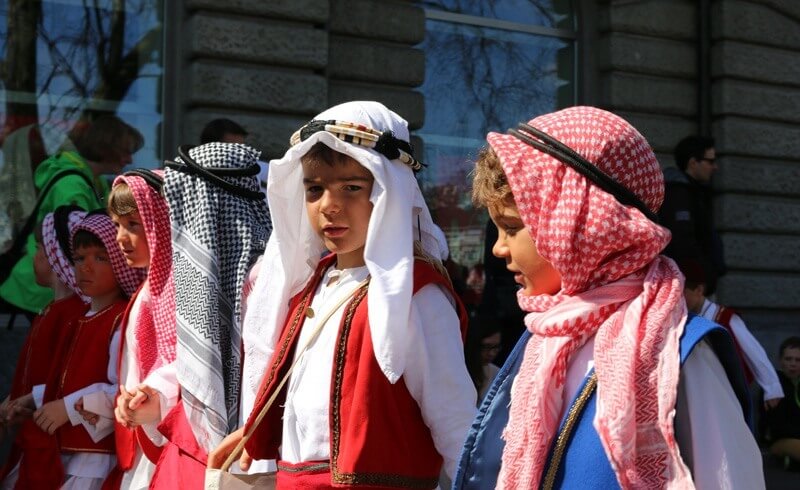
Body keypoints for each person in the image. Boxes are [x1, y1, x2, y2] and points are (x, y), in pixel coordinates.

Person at [454, 106, 763, 489]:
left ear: (580, 224)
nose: (499, 248)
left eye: (512, 227)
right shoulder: (544, 337)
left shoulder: (678, 351)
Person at [208, 101, 476, 487]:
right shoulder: (313, 284)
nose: (329, 206)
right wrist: (259, 437)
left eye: (351, 187)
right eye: (315, 189)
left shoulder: (417, 295)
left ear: (388, 191)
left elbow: (454, 420)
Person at [145, 143, 271, 488]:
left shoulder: (267, 278)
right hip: (193, 448)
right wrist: (155, 392)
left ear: (208, 203)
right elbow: (200, 360)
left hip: (249, 450)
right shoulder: (201, 274)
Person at [4, 211, 143, 489]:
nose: (86, 267)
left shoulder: (120, 320)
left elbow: (121, 390)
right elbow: (70, 380)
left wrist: (67, 409)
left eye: (100, 258)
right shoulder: (80, 318)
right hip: (63, 453)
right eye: (79, 259)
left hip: (94, 461)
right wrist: (34, 400)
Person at [0, 115, 143, 315]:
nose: (130, 159)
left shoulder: (92, 181)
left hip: (49, 284)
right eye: (126, 151)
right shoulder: (73, 185)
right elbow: (73, 242)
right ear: (105, 148)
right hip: (42, 290)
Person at [0, 206, 89, 486]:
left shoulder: (73, 315)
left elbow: (68, 381)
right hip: (31, 435)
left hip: (54, 445)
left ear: (54, 255)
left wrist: (28, 400)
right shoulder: (52, 310)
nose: (33, 256)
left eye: (38, 248)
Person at [104, 170, 178, 490]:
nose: (120, 237)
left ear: (161, 221)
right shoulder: (149, 288)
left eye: (134, 224)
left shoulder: (176, 288)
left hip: (166, 443)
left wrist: (150, 393)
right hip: (139, 441)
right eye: (118, 225)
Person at [679, 259, 784, 408]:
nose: (678, 299)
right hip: (693, 391)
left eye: (683, 293)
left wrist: (772, 387)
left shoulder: (725, 318)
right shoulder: (680, 318)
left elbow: (753, 350)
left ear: (699, 290)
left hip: (724, 391)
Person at [659, 135, 726, 295]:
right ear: (693, 163)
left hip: (695, 285)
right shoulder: (679, 194)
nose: (715, 167)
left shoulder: (693, 191)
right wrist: (703, 276)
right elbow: (683, 243)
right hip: (691, 287)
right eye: (710, 161)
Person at [764, 336, 800, 469]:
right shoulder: (773, 385)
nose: (793, 364)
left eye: (798, 360)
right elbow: (777, 427)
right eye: (788, 359)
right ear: (781, 361)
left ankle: (792, 463)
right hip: (779, 440)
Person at [464, 312, 503, 404]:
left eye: (496, 347)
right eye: (486, 347)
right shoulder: (458, 371)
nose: (491, 353)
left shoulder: (496, 374)